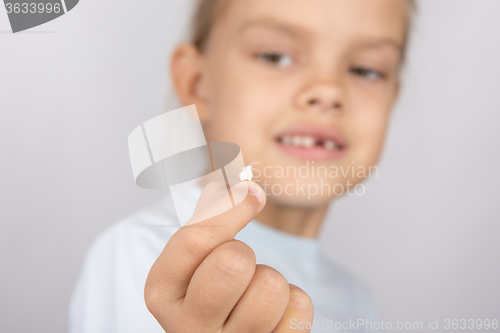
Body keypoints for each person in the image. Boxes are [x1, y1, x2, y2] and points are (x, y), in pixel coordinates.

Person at [69, 0, 415, 332]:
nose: (328, 90)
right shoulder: (141, 255)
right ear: (198, 85)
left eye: (365, 70)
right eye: (275, 57)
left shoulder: (358, 302)